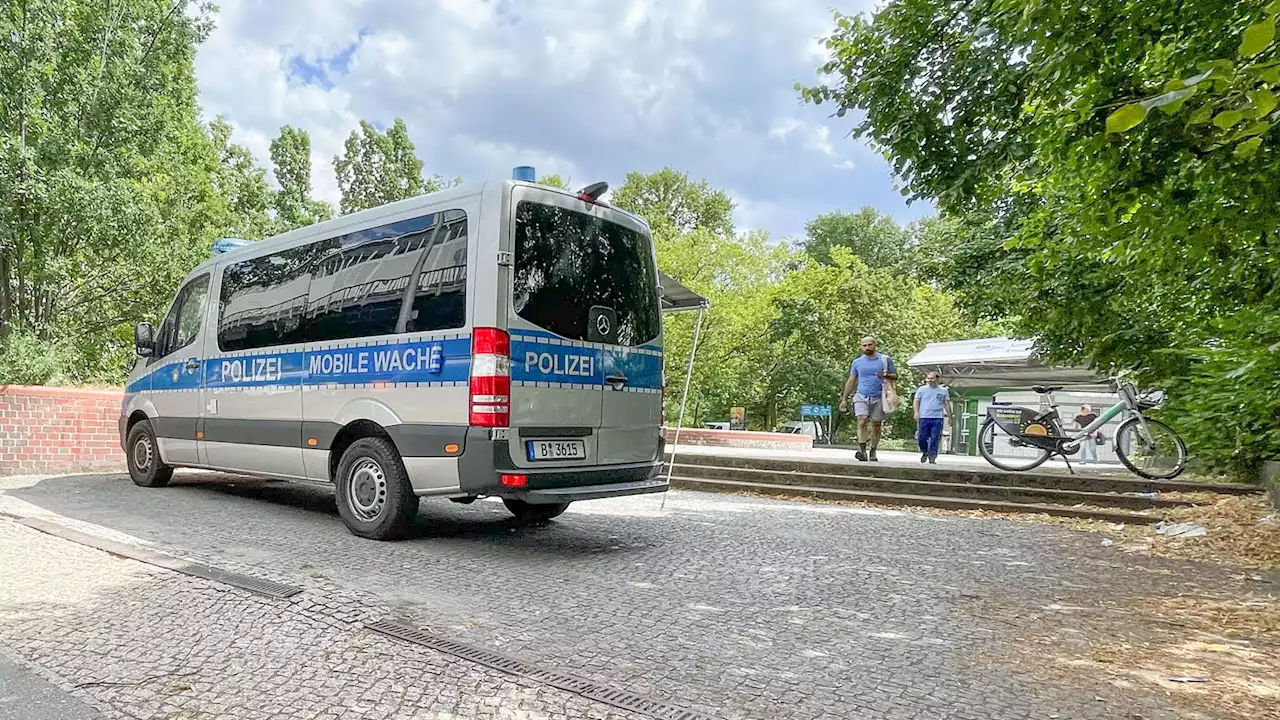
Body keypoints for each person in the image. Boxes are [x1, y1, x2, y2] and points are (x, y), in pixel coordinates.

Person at [838, 336, 897, 462]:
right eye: (864, 345)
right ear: (861, 347)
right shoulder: (857, 362)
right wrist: (844, 398)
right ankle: (862, 450)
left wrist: (886, 375)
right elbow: (851, 380)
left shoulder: (884, 360)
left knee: (876, 424)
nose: (867, 347)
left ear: (875, 345)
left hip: (880, 396)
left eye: (870, 345)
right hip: (861, 395)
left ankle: (873, 450)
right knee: (862, 420)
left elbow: (895, 376)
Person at [913, 372, 951, 464]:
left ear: (937, 379)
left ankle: (932, 456)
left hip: (937, 417)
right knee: (922, 437)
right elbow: (916, 401)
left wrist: (950, 416)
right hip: (924, 417)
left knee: (935, 437)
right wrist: (916, 412)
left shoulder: (943, 391)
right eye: (928, 378)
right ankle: (924, 452)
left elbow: (946, 404)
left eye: (932, 378)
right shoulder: (921, 390)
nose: (929, 380)